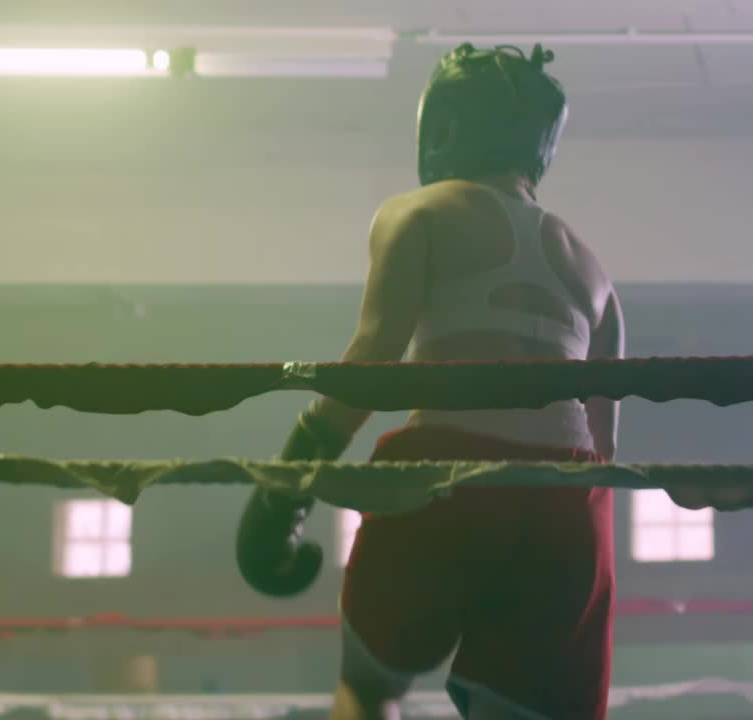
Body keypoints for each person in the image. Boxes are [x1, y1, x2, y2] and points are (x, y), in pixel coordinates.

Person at [236, 43, 624, 720]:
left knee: (369, 687)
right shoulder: (596, 273)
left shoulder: (419, 213)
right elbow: (604, 451)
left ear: (444, 124)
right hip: (563, 505)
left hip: (445, 477)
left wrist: (291, 477)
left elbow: (373, 360)